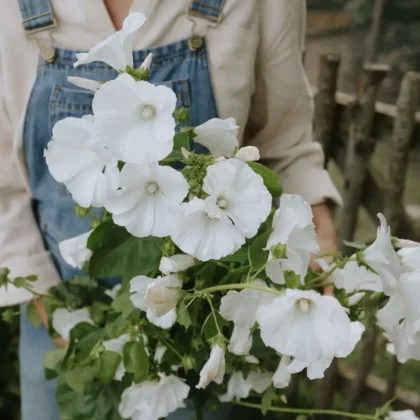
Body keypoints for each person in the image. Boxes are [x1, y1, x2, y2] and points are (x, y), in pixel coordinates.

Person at [0, 0, 341, 419]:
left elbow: (285, 143)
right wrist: (45, 300)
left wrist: (313, 229)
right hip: (57, 311)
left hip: (197, 322)